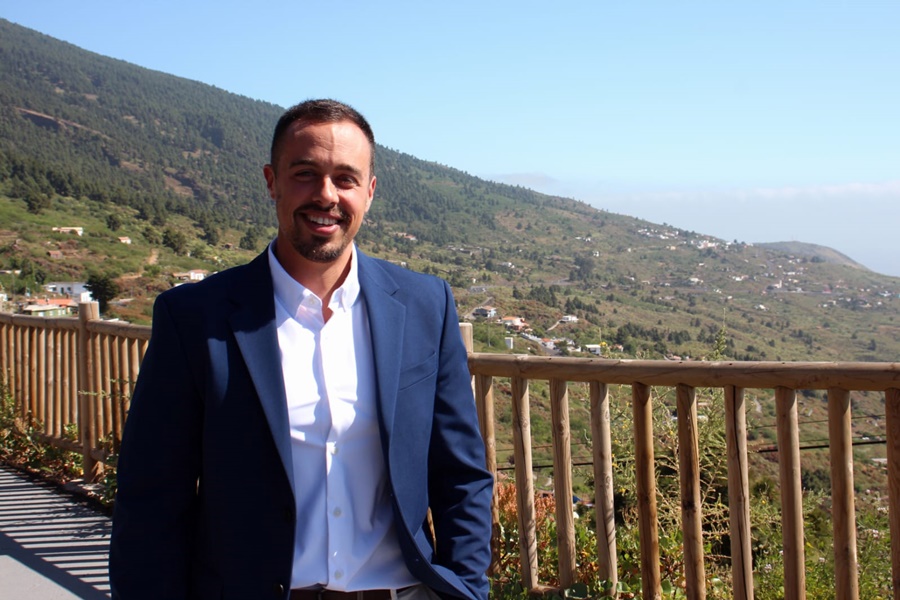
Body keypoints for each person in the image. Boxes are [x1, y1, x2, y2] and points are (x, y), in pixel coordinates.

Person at [109, 99, 494, 600]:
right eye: (305, 174)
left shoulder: (426, 306)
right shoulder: (194, 319)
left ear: (370, 191)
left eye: (346, 178)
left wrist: (467, 588)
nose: (326, 195)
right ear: (271, 182)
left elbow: (461, 475)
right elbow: (152, 498)